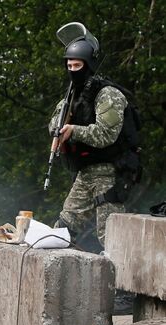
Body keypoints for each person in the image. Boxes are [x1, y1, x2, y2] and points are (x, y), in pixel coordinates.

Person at [50, 33, 139, 248]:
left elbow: (106, 135)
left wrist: (73, 131)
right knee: (62, 230)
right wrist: (58, 128)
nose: (72, 70)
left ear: (88, 65)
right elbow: (54, 121)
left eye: (77, 65)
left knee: (111, 238)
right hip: (85, 172)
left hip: (110, 171)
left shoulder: (108, 94)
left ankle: (121, 282)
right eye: (69, 66)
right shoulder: (74, 95)